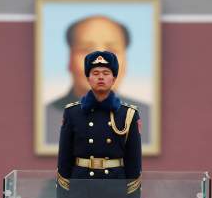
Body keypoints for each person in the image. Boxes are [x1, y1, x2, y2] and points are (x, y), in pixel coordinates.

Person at [45, 15, 150, 146]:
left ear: (126, 62)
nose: (100, 63)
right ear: (70, 60)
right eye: (86, 50)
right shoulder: (45, 118)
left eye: (112, 50)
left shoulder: (146, 117)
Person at [56, 51, 142, 198]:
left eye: (106, 73)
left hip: (114, 189)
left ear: (114, 78)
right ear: (88, 78)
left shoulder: (128, 114)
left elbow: (134, 162)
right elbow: (64, 159)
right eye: (95, 73)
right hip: (81, 188)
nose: (100, 77)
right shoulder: (73, 112)